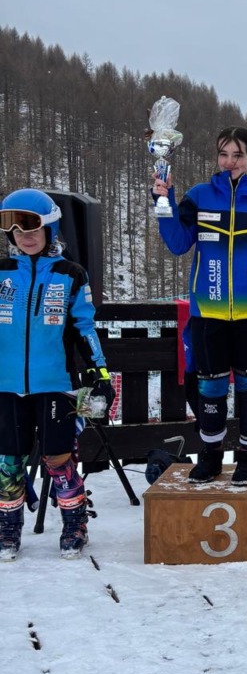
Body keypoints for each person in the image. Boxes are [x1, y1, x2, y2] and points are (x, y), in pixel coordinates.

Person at [152, 127, 247, 486]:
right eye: (224, 154)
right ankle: (211, 456)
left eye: (238, 155)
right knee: (210, 391)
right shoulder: (199, 197)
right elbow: (178, 244)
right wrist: (163, 202)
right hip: (208, 315)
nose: (230, 162)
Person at [0, 189, 113, 560]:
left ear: (50, 228)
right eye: (16, 229)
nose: (25, 236)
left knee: (58, 459)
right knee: (8, 461)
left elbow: (84, 328)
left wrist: (100, 374)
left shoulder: (70, 274)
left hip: (56, 384)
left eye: (32, 228)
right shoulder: (2, 273)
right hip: (6, 385)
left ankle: (74, 523)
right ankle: (8, 528)